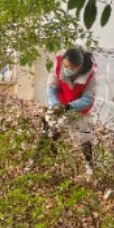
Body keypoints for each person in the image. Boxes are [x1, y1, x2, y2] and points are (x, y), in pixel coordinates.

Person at [25, 48, 98, 177]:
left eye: (70, 67)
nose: (66, 69)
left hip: (79, 108)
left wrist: (69, 107)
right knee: (48, 131)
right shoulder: (58, 66)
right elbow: (51, 89)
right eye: (65, 65)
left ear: (79, 66)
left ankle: (90, 167)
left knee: (85, 137)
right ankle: (33, 162)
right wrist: (56, 106)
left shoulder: (91, 75)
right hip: (60, 103)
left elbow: (88, 99)